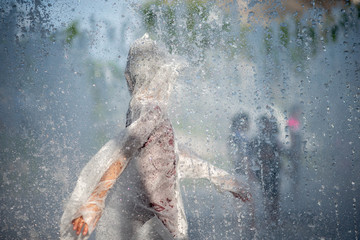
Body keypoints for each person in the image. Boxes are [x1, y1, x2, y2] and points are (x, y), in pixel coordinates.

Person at [60, 34, 251, 240]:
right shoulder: (152, 109)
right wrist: (94, 201)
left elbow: (167, 157)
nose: (170, 82)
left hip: (143, 216)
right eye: (167, 74)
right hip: (142, 218)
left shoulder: (140, 108)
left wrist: (222, 178)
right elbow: (123, 153)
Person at [251, 115, 281, 226]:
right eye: (265, 124)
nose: (267, 126)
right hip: (264, 170)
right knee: (267, 195)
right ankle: (269, 218)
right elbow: (253, 155)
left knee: (275, 195)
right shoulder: (257, 139)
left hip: (274, 170)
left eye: (269, 124)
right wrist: (262, 164)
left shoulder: (274, 138)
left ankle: (275, 218)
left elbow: (279, 152)